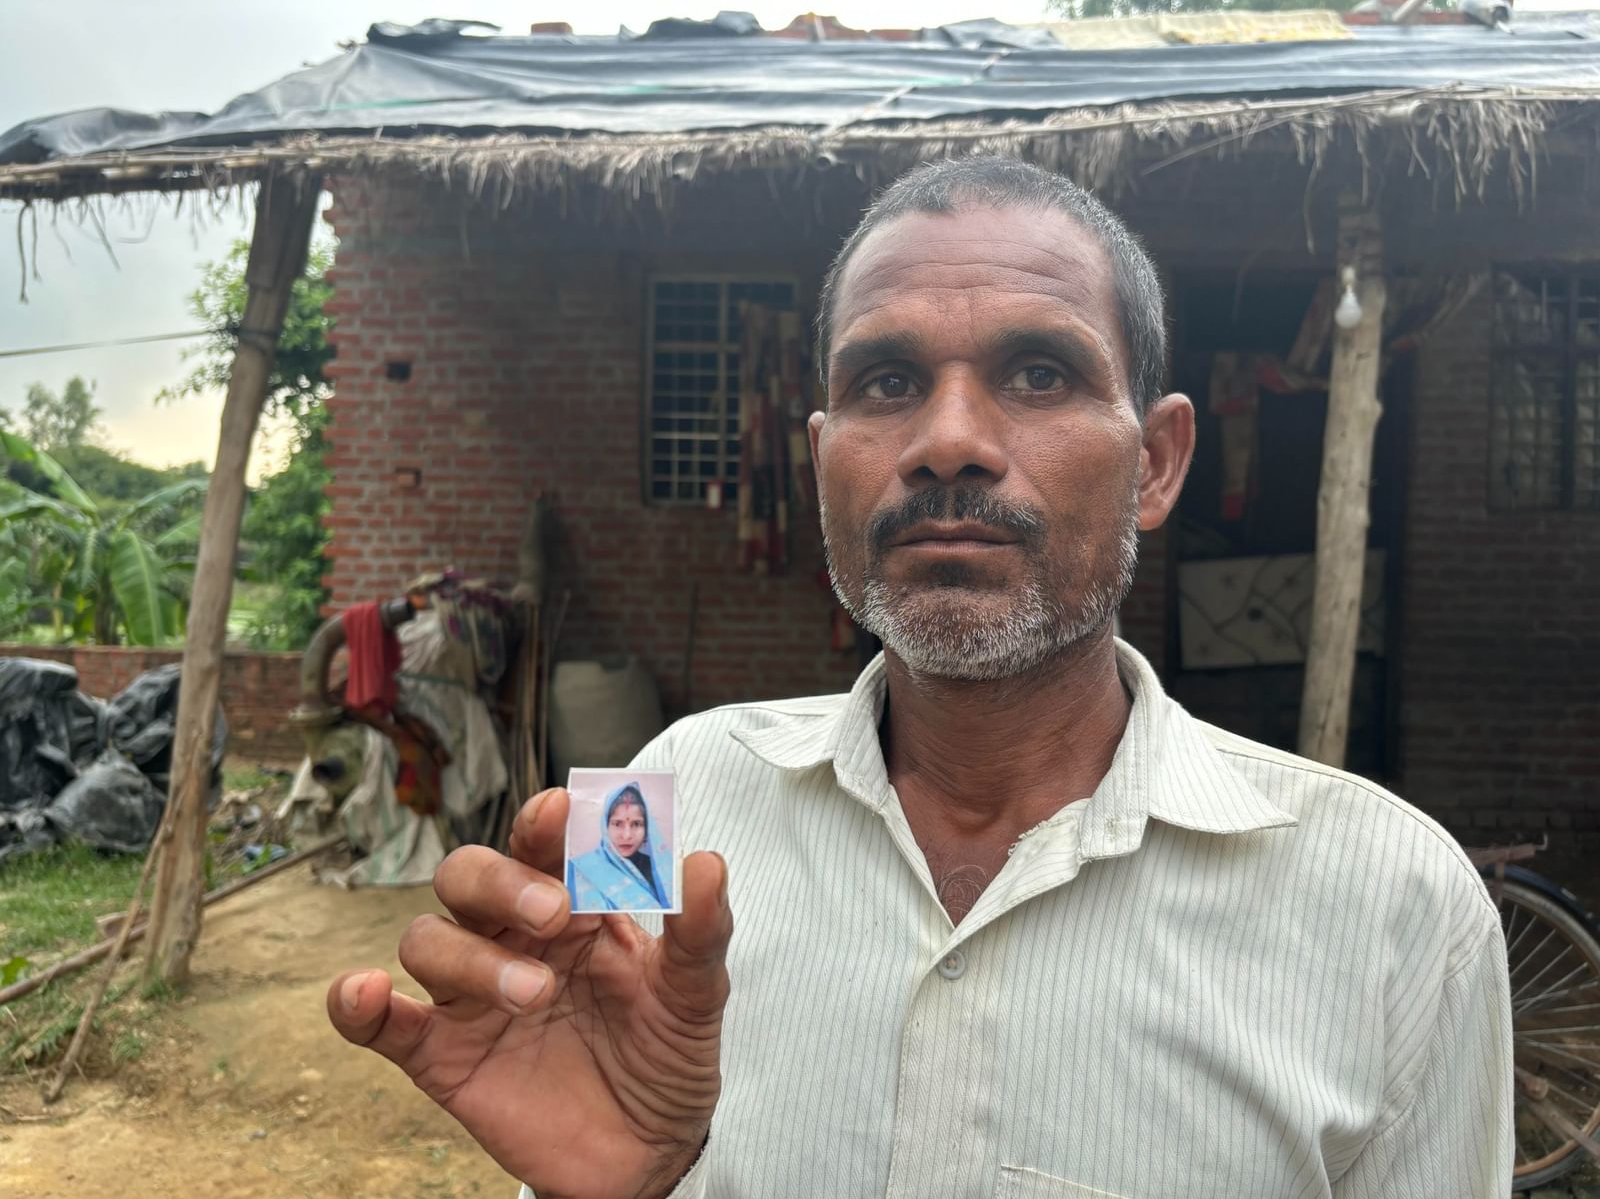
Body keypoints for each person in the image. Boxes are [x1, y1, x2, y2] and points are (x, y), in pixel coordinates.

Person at [327, 156, 1512, 1199]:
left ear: (1154, 464)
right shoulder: (658, 789)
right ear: (821, 461)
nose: (948, 439)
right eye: (886, 382)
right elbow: (582, 1119)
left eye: (1040, 374)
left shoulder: (1401, 912)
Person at [566, 782, 674, 912]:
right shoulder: (580, 870)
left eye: (636, 824)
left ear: (647, 829)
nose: (627, 835)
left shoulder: (660, 871)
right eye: (617, 824)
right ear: (605, 827)